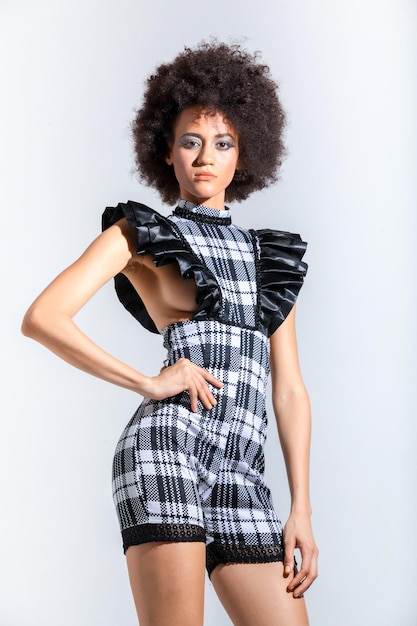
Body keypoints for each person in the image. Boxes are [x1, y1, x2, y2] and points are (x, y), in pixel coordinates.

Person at [22, 41, 318, 626]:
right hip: (168, 452)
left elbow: (289, 391)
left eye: (223, 143)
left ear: (244, 154)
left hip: (243, 469)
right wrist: (148, 383)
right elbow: (43, 317)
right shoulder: (143, 232)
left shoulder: (269, 257)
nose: (206, 157)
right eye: (191, 141)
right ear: (167, 151)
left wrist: (301, 506)